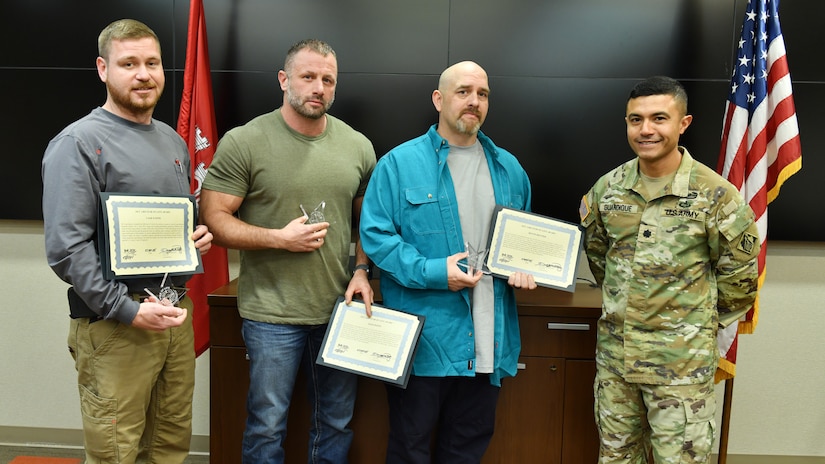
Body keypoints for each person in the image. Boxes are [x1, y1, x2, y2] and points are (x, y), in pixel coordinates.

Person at [41, 19, 213, 464]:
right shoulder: (78, 143)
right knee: (115, 452)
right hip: (117, 323)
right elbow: (67, 249)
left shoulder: (172, 141)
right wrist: (127, 309)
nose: (143, 74)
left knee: (169, 444)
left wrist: (193, 239)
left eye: (152, 63)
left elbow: (172, 223)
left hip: (172, 313)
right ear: (103, 69)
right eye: (129, 63)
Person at [199, 39, 376, 463]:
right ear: (283, 79)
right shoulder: (245, 141)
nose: (318, 87)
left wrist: (361, 270)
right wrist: (279, 238)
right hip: (270, 314)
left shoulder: (358, 146)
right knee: (267, 425)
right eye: (308, 76)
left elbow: (371, 223)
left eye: (327, 80)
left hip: (338, 310)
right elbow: (214, 219)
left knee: (335, 423)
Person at [359, 60, 536, 463]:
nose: (474, 101)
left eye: (482, 94)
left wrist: (527, 268)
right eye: (463, 92)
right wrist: (436, 272)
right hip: (426, 344)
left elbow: (524, 242)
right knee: (409, 449)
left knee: (465, 451)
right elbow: (377, 238)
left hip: (489, 341)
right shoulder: (398, 165)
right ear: (439, 100)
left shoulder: (510, 169)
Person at [579, 76, 760, 463]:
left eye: (659, 118)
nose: (646, 129)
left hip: (681, 369)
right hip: (617, 365)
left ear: (683, 123)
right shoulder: (607, 189)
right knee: (616, 458)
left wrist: (688, 326)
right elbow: (601, 261)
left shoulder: (716, 196)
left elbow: (740, 282)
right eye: (636, 119)